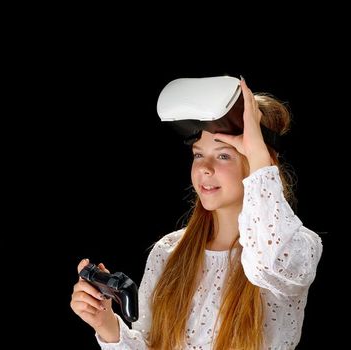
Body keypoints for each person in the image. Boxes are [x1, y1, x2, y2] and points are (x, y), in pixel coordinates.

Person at [70, 79, 323, 349]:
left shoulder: (295, 248)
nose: (205, 168)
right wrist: (106, 324)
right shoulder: (168, 251)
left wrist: (259, 153)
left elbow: (267, 262)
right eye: (198, 154)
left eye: (224, 156)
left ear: (259, 161)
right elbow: (151, 343)